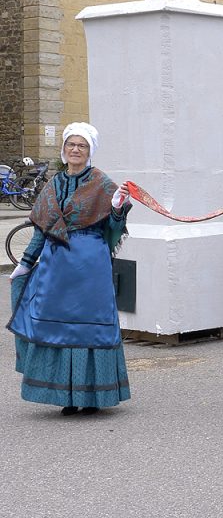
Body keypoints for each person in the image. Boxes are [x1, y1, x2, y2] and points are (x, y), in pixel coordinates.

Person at [7, 123, 132, 416]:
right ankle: (67, 395)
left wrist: (116, 208)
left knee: (90, 328)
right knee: (58, 327)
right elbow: (41, 229)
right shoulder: (53, 185)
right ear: (64, 150)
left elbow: (114, 229)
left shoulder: (102, 184)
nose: (76, 150)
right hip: (57, 266)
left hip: (90, 265)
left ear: (90, 152)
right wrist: (25, 264)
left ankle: (92, 396)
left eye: (82, 146)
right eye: (71, 145)